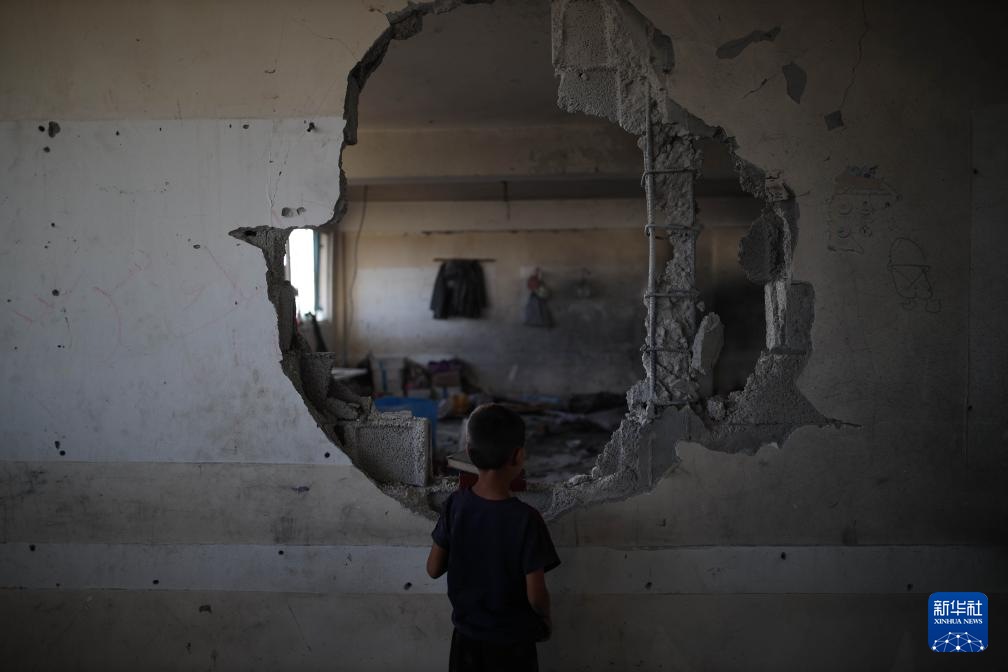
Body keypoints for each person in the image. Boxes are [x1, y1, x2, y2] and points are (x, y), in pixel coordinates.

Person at [426, 403, 561, 672]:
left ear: (468, 452)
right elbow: (536, 595)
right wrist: (545, 619)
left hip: (465, 642)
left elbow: (433, 569)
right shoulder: (526, 519)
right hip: (513, 645)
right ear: (518, 456)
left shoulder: (455, 505)